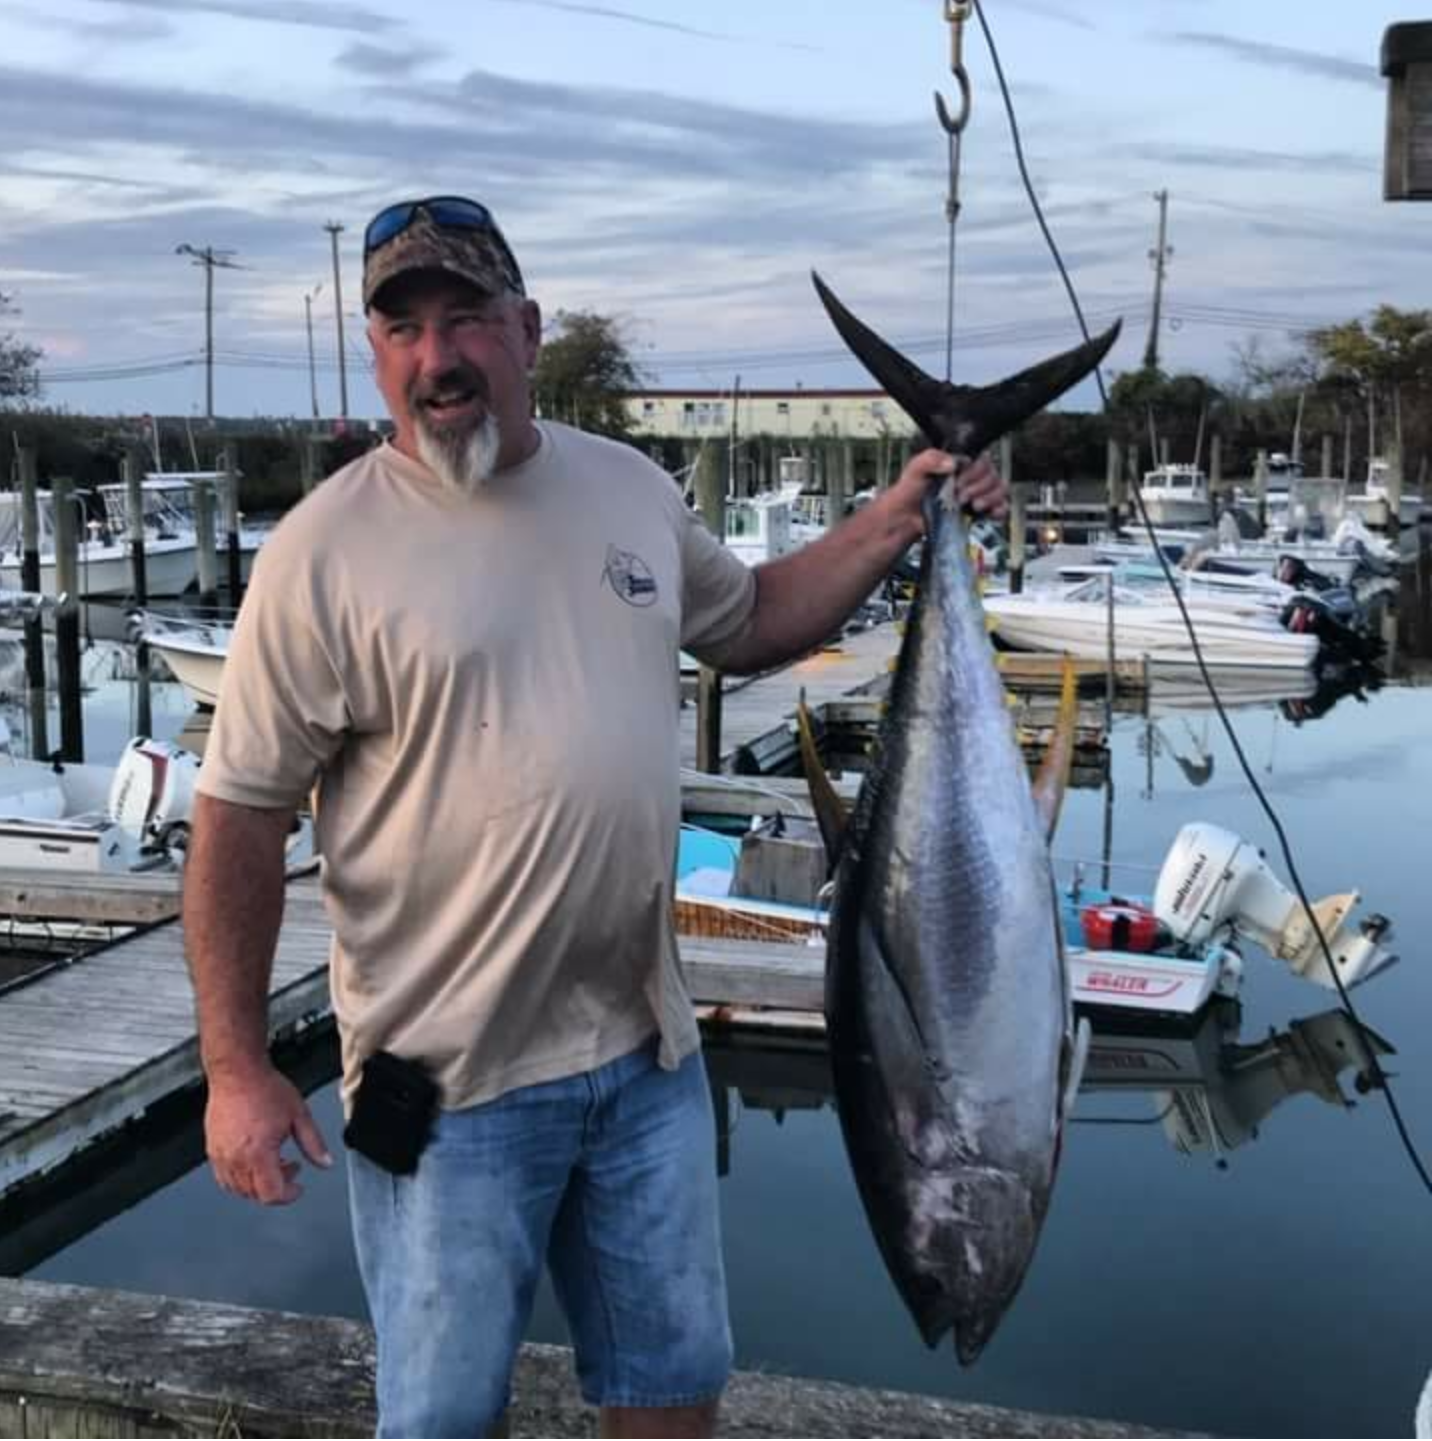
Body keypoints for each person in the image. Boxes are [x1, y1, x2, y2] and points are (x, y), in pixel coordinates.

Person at [183, 194, 1008, 1439]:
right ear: (374, 351)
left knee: (672, 1390)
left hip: (645, 1061)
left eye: (465, 318)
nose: (436, 356)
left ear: (527, 328)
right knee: (442, 1419)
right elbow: (238, 819)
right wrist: (236, 1070)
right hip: (448, 1090)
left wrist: (904, 513)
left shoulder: (625, 488)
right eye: (401, 328)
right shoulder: (320, 554)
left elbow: (757, 623)